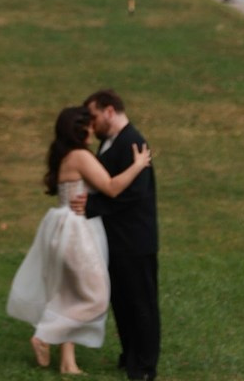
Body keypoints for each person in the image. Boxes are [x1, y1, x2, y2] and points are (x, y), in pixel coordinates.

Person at [8, 105, 152, 375]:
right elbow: (111, 188)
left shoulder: (64, 155)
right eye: (88, 125)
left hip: (62, 227)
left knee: (70, 293)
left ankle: (68, 363)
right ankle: (44, 335)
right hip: (76, 231)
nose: (93, 129)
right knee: (96, 298)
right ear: (79, 130)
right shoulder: (80, 156)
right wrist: (137, 166)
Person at [78, 89, 159, 381]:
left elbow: (134, 194)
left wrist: (92, 206)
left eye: (94, 116)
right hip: (116, 239)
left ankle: (145, 367)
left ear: (110, 111)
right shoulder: (110, 143)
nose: (92, 122)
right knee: (123, 302)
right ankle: (130, 355)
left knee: (141, 303)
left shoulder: (133, 142)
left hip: (136, 240)